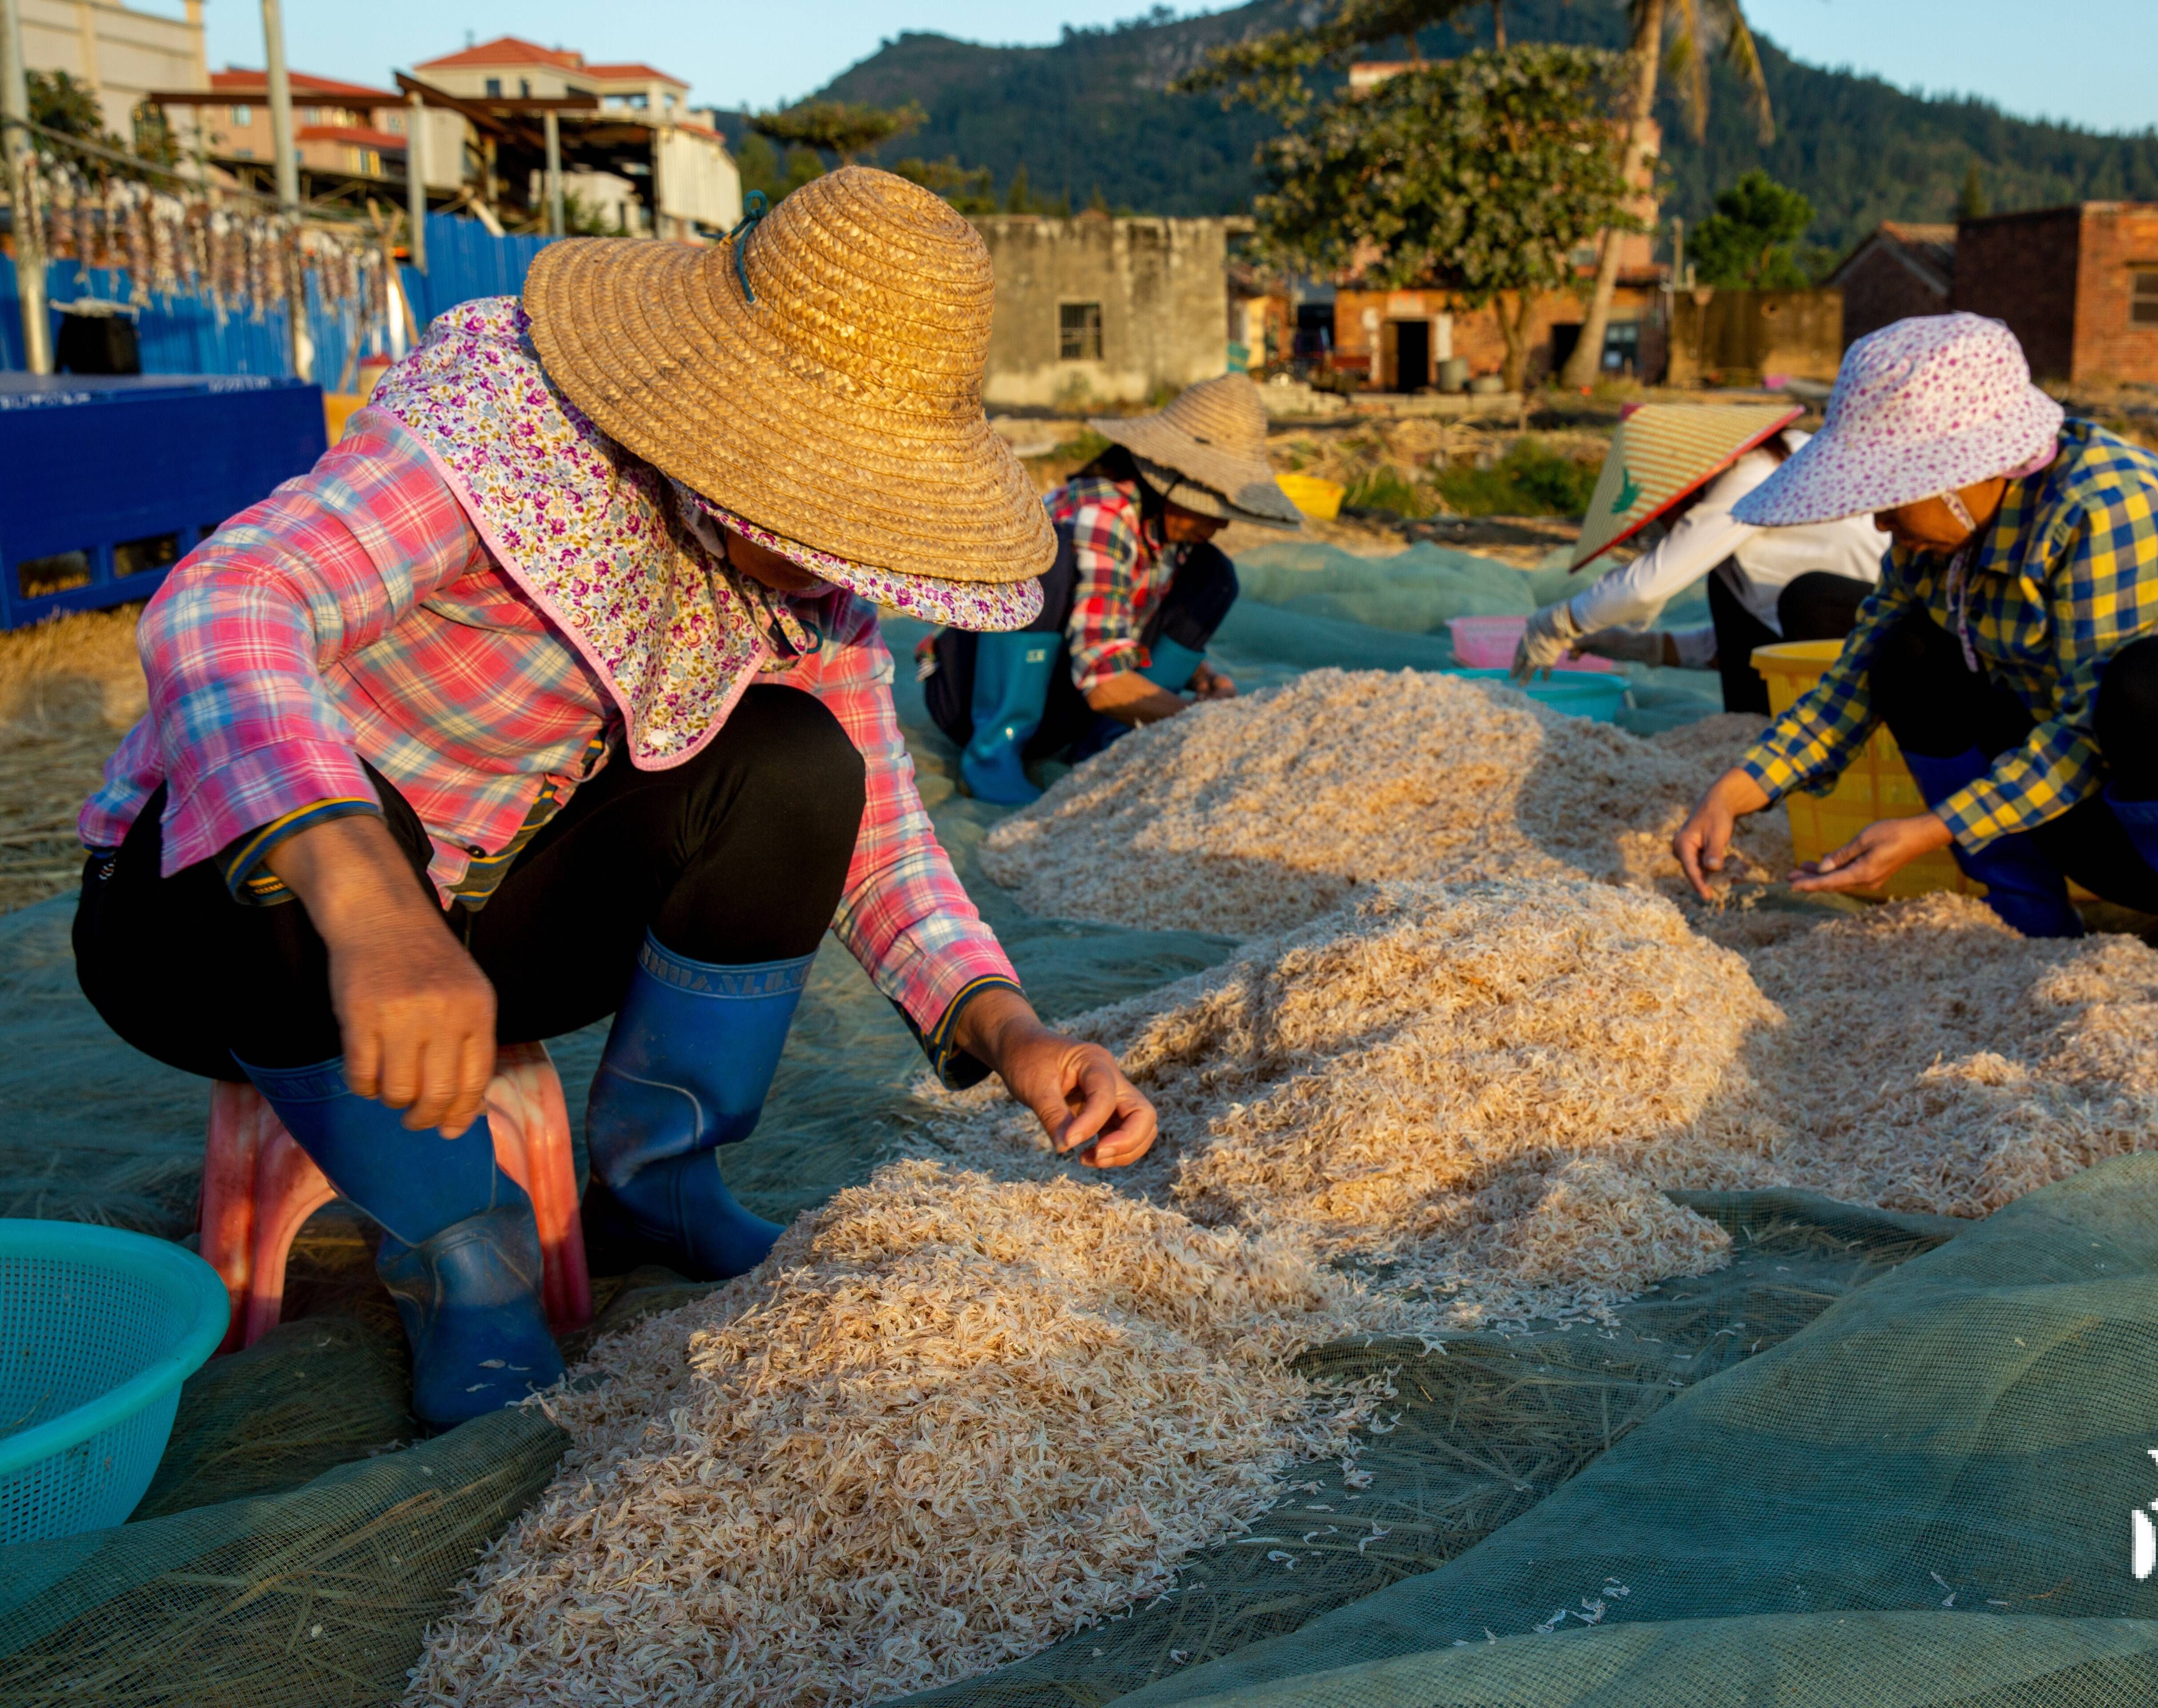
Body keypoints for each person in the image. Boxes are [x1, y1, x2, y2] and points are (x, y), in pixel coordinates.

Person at [71, 168, 1159, 1430]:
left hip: (482, 922)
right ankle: (463, 1261)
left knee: (800, 764)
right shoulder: (506, 430)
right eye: (822, 501)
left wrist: (1013, 1032)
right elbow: (228, 604)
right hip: (222, 932)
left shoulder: (811, 580)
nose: (829, 553)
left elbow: (877, 840)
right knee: (302, 831)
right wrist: (372, 907)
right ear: (721, 420)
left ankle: (661, 1179)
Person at [1672, 313, 2158, 992]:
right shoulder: (1939, 540)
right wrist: (1739, 791)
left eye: (1891, 495)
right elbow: (1854, 676)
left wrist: (1932, 828)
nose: (1879, 520)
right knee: (1903, 649)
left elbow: (2088, 729)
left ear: (1968, 472)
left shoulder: (2109, 509)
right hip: (2111, 829)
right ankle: (2031, 930)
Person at [924, 373, 1303, 802]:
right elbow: (1103, 681)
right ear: (1167, 479)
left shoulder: (1171, 533)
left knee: (1213, 579)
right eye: (1211, 505)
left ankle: (1109, 742)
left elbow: (1118, 618)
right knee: (1051, 563)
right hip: (968, 692)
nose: (1221, 523)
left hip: (1067, 700)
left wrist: (1203, 677)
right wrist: (1199, 719)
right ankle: (994, 756)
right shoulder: (1104, 512)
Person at [1510, 403, 1888, 713]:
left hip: (1892, 627)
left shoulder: (1755, 475)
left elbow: (1643, 588)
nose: (1667, 526)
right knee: (1729, 588)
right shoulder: (1750, 511)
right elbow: (1740, 646)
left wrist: (1558, 621)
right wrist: (1631, 645)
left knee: (1808, 598)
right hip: (1845, 625)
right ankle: (1751, 737)